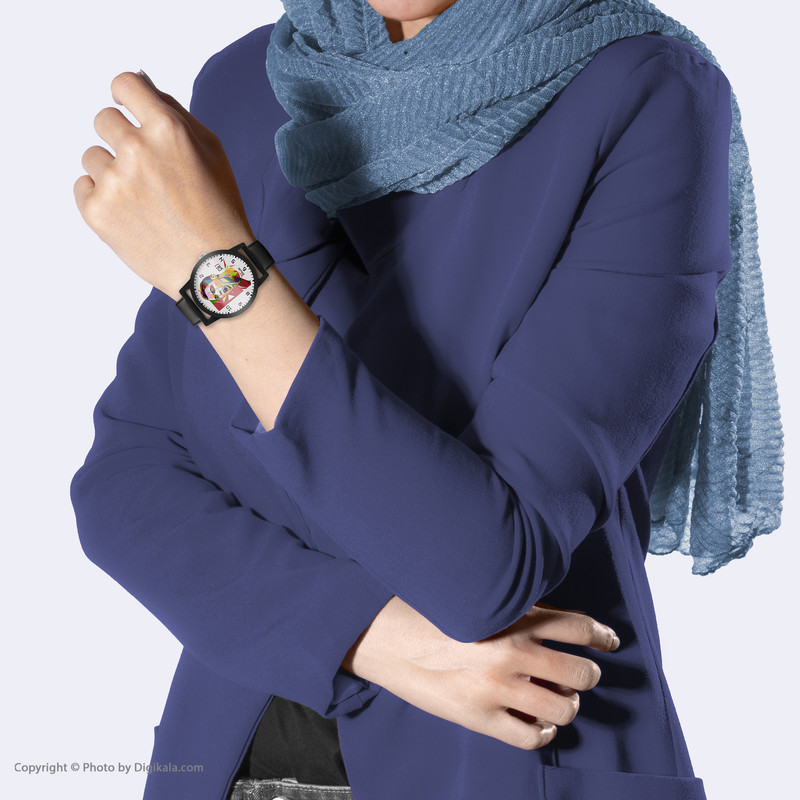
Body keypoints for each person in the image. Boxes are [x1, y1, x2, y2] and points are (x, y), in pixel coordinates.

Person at [70, 2, 784, 800]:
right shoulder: (249, 82)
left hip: (506, 764)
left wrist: (216, 269)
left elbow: (485, 567)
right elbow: (125, 486)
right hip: (230, 761)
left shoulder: (645, 90)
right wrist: (372, 638)